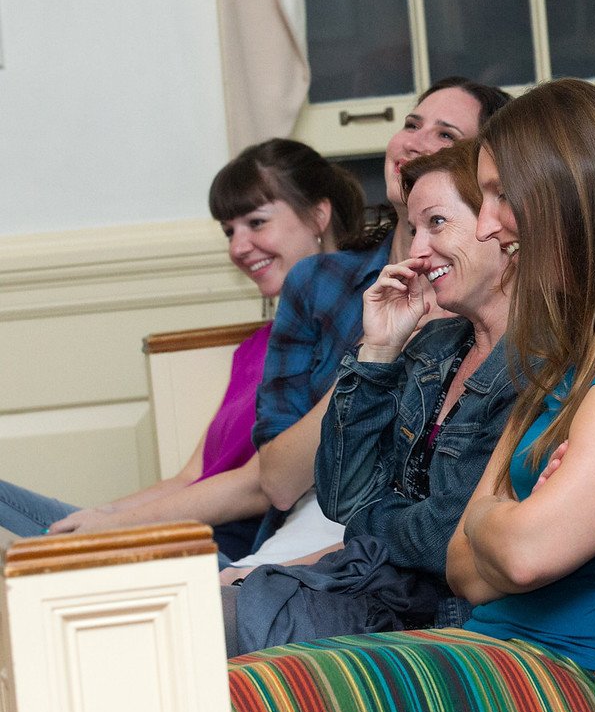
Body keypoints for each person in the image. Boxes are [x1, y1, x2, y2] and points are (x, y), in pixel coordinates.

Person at [226, 78, 595, 712]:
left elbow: (516, 554)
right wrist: (496, 518)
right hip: (495, 644)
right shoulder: (571, 338)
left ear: (565, 189)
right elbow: (467, 566)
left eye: (500, 198)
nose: (487, 224)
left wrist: (491, 520)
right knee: (215, 684)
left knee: (241, 701)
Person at [0, 139, 363, 563]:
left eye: (256, 222)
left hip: (225, 554)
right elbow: (192, 475)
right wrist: (103, 515)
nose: (238, 246)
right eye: (229, 231)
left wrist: (121, 526)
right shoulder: (254, 350)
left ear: (319, 215)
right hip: (182, 536)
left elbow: (258, 486)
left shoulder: (354, 328)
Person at [223, 142, 518, 655]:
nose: (417, 251)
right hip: (368, 591)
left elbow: (442, 539)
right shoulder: (436, 347)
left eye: (437, 223)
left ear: (499, 225)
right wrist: (379, 349)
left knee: (175, 636)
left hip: (434, 624)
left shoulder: (534, 365)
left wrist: (369, 525)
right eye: (414, 228)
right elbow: (341, 494)